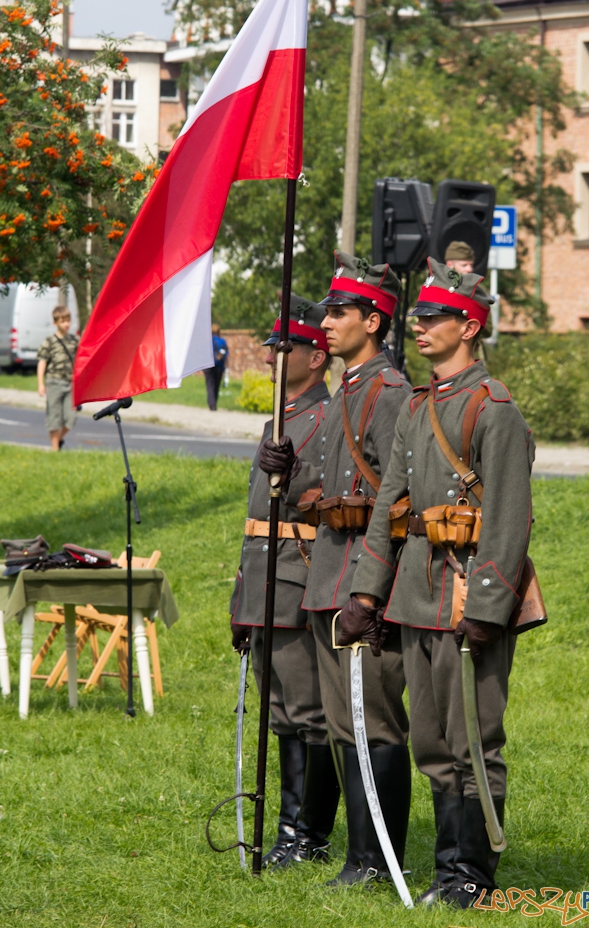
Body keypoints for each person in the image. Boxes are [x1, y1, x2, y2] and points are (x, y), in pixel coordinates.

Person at [342, 259, 534, 907]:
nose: (419, 327)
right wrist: (366, 594)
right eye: (418, 317)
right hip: (416, 594)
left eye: (433, 318)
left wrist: (487, 606)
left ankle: (471, 877)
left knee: (471, 741)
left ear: (469, 325)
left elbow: (508, 519)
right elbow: (387, 507)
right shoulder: (418, 407)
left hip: (465, 593)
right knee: (429, 740)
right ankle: (447, 870)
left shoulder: (493, 409)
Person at [295, 251, 413, 885]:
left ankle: (378, 859)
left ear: (372, 320)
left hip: (367, 584)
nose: (327, 323)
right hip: (329, 576)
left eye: (338, 312)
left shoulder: (390, 393)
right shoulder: (348, 390)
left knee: (377, 721)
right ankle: (359, 855)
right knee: (345, 722)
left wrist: (372, 592)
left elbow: (401, 499)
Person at [230, 294, 340, 868]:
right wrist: (239, 596)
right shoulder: (280, 417)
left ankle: (308, 836)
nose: (274, 355)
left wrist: (294, 476)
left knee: (307, 712)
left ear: (317, 357)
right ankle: (287, 829)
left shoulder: (327, 417)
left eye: (287, 346)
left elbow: (324, 498)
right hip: (263, 578)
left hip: (296, 577)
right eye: (274, 346)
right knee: (279, 712)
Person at [36, 305, 79, 452]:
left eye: (68, 320)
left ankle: (59, 439)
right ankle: (55, 451)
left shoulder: (74, 341)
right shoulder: (49, 341)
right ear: (55, 323)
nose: (66, 324)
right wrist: (40, 384)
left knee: (71, 418)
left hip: (71, 383)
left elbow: (80, 361)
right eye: (62, 321)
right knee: (54, 418)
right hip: (54, 382)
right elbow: (42, 362)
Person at [204, 323, 229, 411]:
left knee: (210, 384)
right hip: (219, 365)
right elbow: (225, 353)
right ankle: (214, 404)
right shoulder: (222, 341)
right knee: (216, 385)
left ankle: (212, 404)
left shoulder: (207, 340)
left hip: (208, 365)